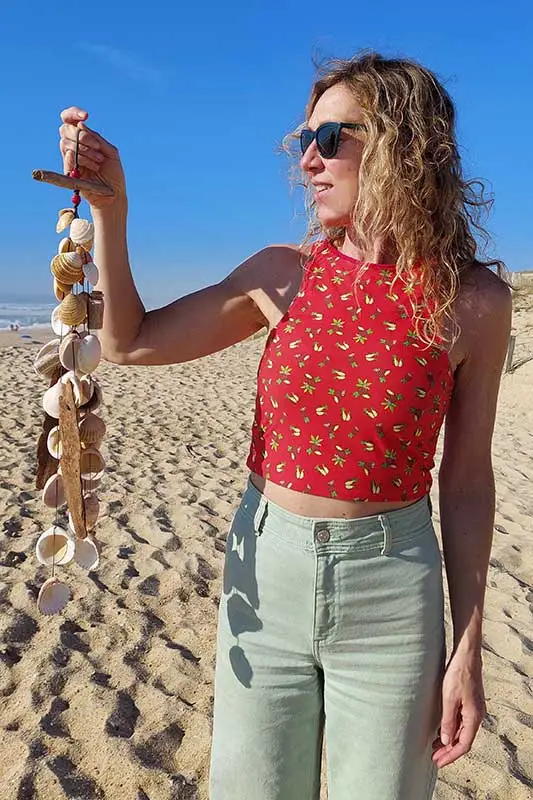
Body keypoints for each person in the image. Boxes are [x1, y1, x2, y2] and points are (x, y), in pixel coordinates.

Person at [59, 51, 511, 800]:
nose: (307, 158)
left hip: (392, 591)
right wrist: (110, 210)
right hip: (263, 575)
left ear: (403, 143)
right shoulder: (281, 272)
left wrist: (466, 649)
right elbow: (130, 341)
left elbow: (465, 482)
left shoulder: (475, 303)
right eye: (303, 138)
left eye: (332, 138)